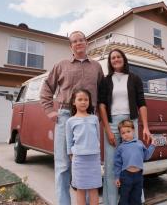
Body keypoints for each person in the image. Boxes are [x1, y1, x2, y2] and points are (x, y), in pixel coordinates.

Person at [40, 31, 104, 205]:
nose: (78, 43)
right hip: (65, 116)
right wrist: (49, 110)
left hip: (89, 117)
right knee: (63, 165)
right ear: (71, 46)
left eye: (81, 40)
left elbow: (103, 92)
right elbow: (46, 87)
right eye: (74, 41)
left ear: (87, 42)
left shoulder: (97, 67)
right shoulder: (61, 65)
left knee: (88, 163)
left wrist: (99, 113)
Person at [98, 48, 152, 205]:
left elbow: (142, 103)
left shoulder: (135, 78)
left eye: (118, 56)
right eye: (112, 58)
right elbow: (101, 105)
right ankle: (112, 202)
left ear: (123, 59)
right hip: (112, 123)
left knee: (134, 162)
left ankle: (137, 201)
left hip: (131, 122)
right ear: (110, 61)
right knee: (111, 165)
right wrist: (107, 129)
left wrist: (146, 127)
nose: (115, 59)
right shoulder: (106, 80)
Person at [66, 89, 102, 205]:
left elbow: (98, 137)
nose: (83, 102)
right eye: (80, 99)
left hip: (93, 158)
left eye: (86, 99)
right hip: (79, 159)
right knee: (80, 189)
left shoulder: (94, 118)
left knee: (94, 188)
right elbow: (69, 141)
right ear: (73, 102)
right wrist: (71, 155)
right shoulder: (70, 121)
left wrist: (97, 152)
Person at [114, 120, 155, 205]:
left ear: (133, 131)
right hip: (125, 176)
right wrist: (117, 177)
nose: (126, 134)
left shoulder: (139, 143)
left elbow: (146, 156)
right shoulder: (121, 148)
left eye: (128, 131)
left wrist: (152, 145)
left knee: (136, 199)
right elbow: (117, 164)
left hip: (138, 177)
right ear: (121, 135)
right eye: (123, 133)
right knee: (124, 198)